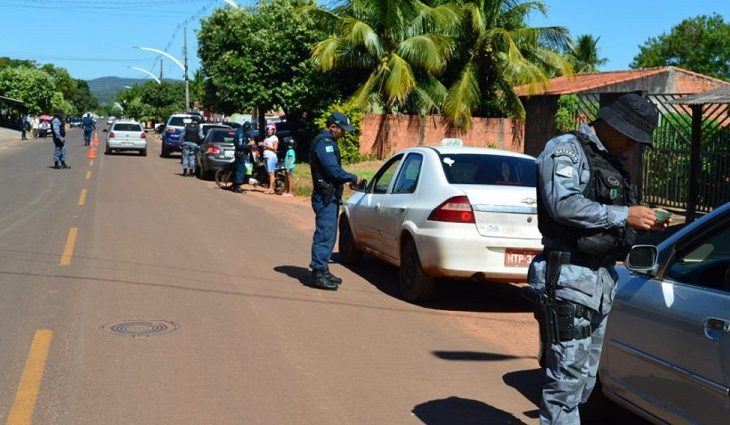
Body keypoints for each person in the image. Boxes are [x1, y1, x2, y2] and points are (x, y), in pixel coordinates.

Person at [528, 93, 670, 424]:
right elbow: (561, 204)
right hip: (568, 278)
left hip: (601, 280)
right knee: (566, 384)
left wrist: (641, 219)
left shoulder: (607, 159)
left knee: (585, 382)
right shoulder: (566, 149)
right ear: (612, 125)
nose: (633, 147)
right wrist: (624, 215)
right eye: (632, 138)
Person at [308, 112, 363, 290]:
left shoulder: (328, 142)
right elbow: (333, 170)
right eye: (342, 129)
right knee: (325, 234)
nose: (344, 133)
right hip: (324, 196)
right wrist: (352, 177)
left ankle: (323, 269)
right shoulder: (324, 144)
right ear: (333, 127)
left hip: (330, 195)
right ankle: (318, 272)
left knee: (330, 234)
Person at [231, 121, 255, 193]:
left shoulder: (244, 132)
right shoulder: (240, 133)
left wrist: (251, 139)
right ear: (246, 127)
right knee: (240, 169)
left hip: (243, 153)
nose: (248, 131)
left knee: (240, 169)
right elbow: (240, 145)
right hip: (240, 154)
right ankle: (237, 187)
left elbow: (248, 136)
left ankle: (235, 184)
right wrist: (248, 144)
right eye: (248, 129)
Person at [259, 123, 279, 194]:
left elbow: (275, 148)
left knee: (271, 173)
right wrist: (262, 145)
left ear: (274, 130)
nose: (269, 131)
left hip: (271, 157)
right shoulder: (266, 138)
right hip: (266, 157)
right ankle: (271, 188)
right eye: (267, 129)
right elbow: (266, 147)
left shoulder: (275, 138)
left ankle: (271, 188)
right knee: (268, 173)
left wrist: (264, 145)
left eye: (271, 130)